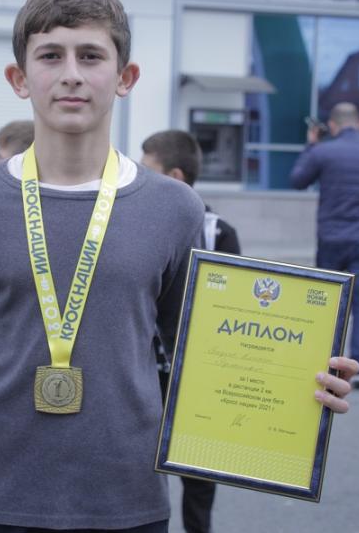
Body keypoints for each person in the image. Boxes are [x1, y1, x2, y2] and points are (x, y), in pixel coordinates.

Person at [0, 0, 358, 532]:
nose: (72, 73)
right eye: (51, 55)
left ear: (125, 77)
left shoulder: (175, 208)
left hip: (127, 500)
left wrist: (297, 385)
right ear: (19, 79)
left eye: (91, 55)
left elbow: (199, 348)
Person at [140, 129, 240, 533]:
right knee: (142, 473)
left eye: (148, 170)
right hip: (146, 376)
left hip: (198, 379)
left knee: (198, 477)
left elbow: (234, 310)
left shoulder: (217, 231)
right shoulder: (135, 225)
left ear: (175, 177)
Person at [290, 102, 359, 390]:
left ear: (332, 126)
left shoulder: (323, 152)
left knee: (326, 303)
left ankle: (322, 364)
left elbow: (298, 180)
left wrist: (311, 144)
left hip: (330, 240)